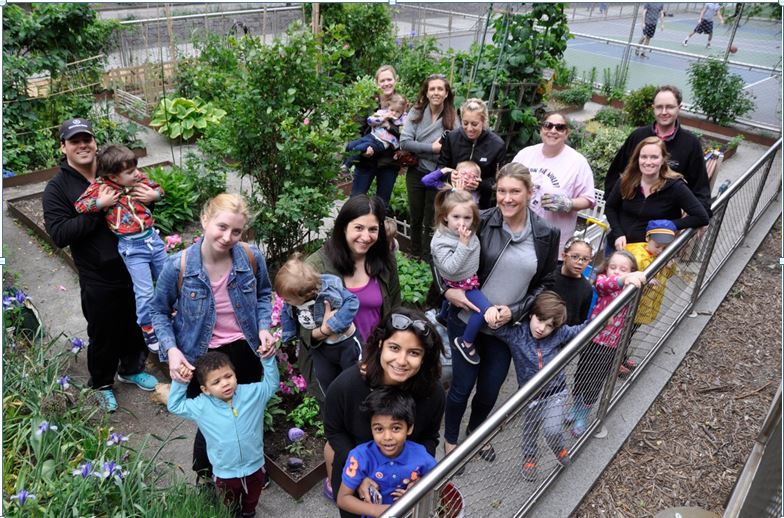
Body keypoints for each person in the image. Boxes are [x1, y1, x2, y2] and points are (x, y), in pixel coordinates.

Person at [150, 193, 277, 482]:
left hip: (245, 349)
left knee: (246, 411)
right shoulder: (178, 266)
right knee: (210, 417)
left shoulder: (251, 257)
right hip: (201, 355)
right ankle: (206, 473)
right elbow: (158, 312)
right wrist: (171, 350)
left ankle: (251, 466)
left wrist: (263, 327)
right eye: (222, 226)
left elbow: (263, 295)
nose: (228, 236)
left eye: (236, 231)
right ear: (205, 220)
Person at [438, 162, 560, 459]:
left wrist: (515, 311)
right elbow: (443, 249)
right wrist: (446, 288)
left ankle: (476, 434)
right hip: (467, 318)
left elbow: (546, 282)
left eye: (515, 191)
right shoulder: (483, 220)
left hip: (507, 327)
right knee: (462, 386)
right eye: (502, 191)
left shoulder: (546, 233)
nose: (507, 198)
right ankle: (451, 440)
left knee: (490, 390)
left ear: (529, 193)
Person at [42, 118, 157, 412]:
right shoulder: (58, 188)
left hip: (133, 263)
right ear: (63, 147)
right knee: (103, 331)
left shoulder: (113, 169)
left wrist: (150, 200)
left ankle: (132, 369)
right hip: (98, 273)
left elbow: (138, 202)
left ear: (94, 142)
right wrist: (97, 209)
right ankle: (103, 383)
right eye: (74, 141)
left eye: (87, 139)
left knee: (134, 323)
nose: (82, 146)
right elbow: (59, 234)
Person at [303, 195, 402, 500]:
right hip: (331, 362)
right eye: (358, 228)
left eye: (372, 230)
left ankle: (362, 477)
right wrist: (323, 329)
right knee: (340, 429)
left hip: (374, 359)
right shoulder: (316, 266)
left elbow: (393, 307)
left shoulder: (382, 260)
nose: (365, 236)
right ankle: (336, 483)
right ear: (343, 226)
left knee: (370, 421)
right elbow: (300, 327)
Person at [324, 308, 445, 518]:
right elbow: (335, 433)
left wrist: (418, 479)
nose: (401, 360)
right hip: (355, 484)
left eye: (414, 352)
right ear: (381, 345)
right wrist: (359, 478)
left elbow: (429, 438)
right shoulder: (346, 386)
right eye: (394, 348)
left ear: (424, 358)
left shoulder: (432, 394)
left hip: (404, 485)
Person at [74, 144, 167, 352]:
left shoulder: (138, 179)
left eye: (135, 168)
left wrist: (155, 196)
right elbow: (80, 205)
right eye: (130, 171)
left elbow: (159, 188)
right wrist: (101, 203)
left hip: (152, 239)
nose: (137, 174)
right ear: (114, 177)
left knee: (168, 278)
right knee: (144, 291)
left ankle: (170, 314)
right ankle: (148, 326)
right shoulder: (102, 187)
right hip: (132, 247)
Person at [167, 351, 279, 518]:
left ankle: (249, 512)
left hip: (255, 465)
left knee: (252, 498)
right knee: (228, 501)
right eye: (216, 382)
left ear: (235, 375)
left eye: (228, 376)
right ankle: (232, 513)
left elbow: (271, 385)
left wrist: (268, 359)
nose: (225, 383)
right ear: (205, 389)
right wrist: (180, 381)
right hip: (225, 472)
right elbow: (174, 406)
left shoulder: (252, 394)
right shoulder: (201, 406)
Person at [495, 291, 587, 481]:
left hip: (556, 392)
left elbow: (581, 330)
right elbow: (493, 326)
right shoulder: (516, 334)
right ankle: (529, 457)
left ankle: (558, 447)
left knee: (552, 429)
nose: (542, 328)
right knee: (530, 429)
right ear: (531, 314)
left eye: (549, 326)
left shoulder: (559, 334)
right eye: (540, 320)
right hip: (530, 396)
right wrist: (494, 314)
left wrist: (604, 317)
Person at [604, 85, 711, 226]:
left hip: (661, 232)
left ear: (679, 107)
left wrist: (700, 217)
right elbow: (615, 173)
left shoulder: (690, 144)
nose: (664, 112)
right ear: (653, 108)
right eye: (659, 107)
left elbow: (700, 187)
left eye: (670, 107)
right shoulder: (638, 136)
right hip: (625, 222)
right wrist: (613, 213)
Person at [569, 251, 646, 437]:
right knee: (581, 376)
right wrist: (625, 277)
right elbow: (604, 284)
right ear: (606, 268)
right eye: (613, 267)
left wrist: (645, 281)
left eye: (623, 269)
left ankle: (582, 415)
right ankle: (574, 407)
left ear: (633, 270)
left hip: (611, 346)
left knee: (595, 382)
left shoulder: (631, 288)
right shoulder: (605, 283)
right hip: (592, 341)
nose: (617, 272)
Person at [336, 387, 437, 518]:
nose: (387, 437)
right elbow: (343, 499)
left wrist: (419, 486)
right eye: (379, 429)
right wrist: (379, 511)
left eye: (396, 428)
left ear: (409, 427)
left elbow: (439, 482)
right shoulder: (359, 457)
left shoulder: (421, 455)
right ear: (371, 428)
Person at [430, 182, 496, 366]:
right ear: (445, 218)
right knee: (482, 310)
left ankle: (442, 315)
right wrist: (463, 244)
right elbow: (451, 268)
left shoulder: (468, 229)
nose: (462, 223)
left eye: (467, 218)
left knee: (447, 304)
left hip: (468, 276)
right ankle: (465, 342)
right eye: (456, 217)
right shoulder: (442, 241)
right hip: (459, 282)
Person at [512, 113, 595, 258]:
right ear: (541, 129)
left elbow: (588, 199)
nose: (553, 130)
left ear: (566, 132)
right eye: (548, 125)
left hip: (552, 239)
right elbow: (508, 182)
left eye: (560, 127)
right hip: (519, 231)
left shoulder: (577, 162)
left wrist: (568, 203)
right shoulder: (525, 154)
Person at [275, 254, 362, 394]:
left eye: (288, 299)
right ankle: (335, 405)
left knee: (355, 380)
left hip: (346, 343)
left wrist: (334, 324)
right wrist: (288, 334)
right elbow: (289, 317)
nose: (284, 301)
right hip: (321, 348)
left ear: (302, 296)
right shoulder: (291, 302)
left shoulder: (329, 290)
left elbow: (353, 301)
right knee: (325, 381)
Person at [605, 136, 710, 250]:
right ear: (637, 159)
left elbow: (701, 217)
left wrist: (672, 224)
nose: (648, 162)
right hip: (618, 247)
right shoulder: (626, 180)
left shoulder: (675, 187)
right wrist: (618, 233)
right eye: (644, 157)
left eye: (654, 157)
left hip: (650, 253)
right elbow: (610, 207)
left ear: (663, 159)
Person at [399, 73, 457, 259]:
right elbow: (405, 143)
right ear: (426, 92)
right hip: (416, 171)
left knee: (431, 219)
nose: (436, 92)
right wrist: (433, 148)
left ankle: (427, 256)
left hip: (437, 175)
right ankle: (414, 253)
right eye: (432, 89)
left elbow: (451, 149)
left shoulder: (452, 118)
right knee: (415, 216)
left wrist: (421, 148)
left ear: (446, 93)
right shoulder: (417, 112)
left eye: (440, 89)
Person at [349, 65, 403, 206]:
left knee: (382, 205)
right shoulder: (368, 103)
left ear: (395, 80)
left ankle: (378, 227)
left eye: (389, 79)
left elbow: (405, 133)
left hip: (388, 162)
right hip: (367, 158)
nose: (386, 83)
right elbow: (356, 128)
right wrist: (364, 148)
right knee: (356, 201)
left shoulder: (401, 103)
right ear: (377, 83)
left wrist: (388, 126)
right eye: (382, 80)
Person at [438, 98, 506, 210]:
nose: (469, 129)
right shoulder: (452, 138)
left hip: (480, 205)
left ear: (484, 122)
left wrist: (480, 185)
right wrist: (451, 176)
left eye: (474, 124)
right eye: (465, 123)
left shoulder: (497, 144)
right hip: (451, 199)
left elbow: (498, 179)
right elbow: (441, 167)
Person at [625, 219, 678, 329]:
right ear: (647, 238)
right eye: (658, 246)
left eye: (665, 248)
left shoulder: (663, 256)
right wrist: (646, 281)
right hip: (631, 306)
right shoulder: (638, 258)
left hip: (646, 304)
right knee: (624, 330)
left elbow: (668, 275)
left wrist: (670, 266)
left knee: (632, 330)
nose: (660, 251)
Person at [344, 94, 407, 169]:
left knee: (359, 148)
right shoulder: (382, 113)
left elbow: (403, 134)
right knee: (350, 145)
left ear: (402, 112)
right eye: (392, 110)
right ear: (388, 107)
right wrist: (383, 118)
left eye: (397, 112)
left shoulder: (402, 121)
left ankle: (347, 167)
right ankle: (344, 163)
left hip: (381, 143)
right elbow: (370, 120)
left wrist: (389, 126)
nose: (393, 113)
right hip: (371, 136)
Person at [552, 237, 595, 325]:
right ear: (564, 256)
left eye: (585, 259)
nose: (580, 262)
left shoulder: (587, 289)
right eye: (575, 257)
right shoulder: (549, 276)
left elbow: (581, 318)